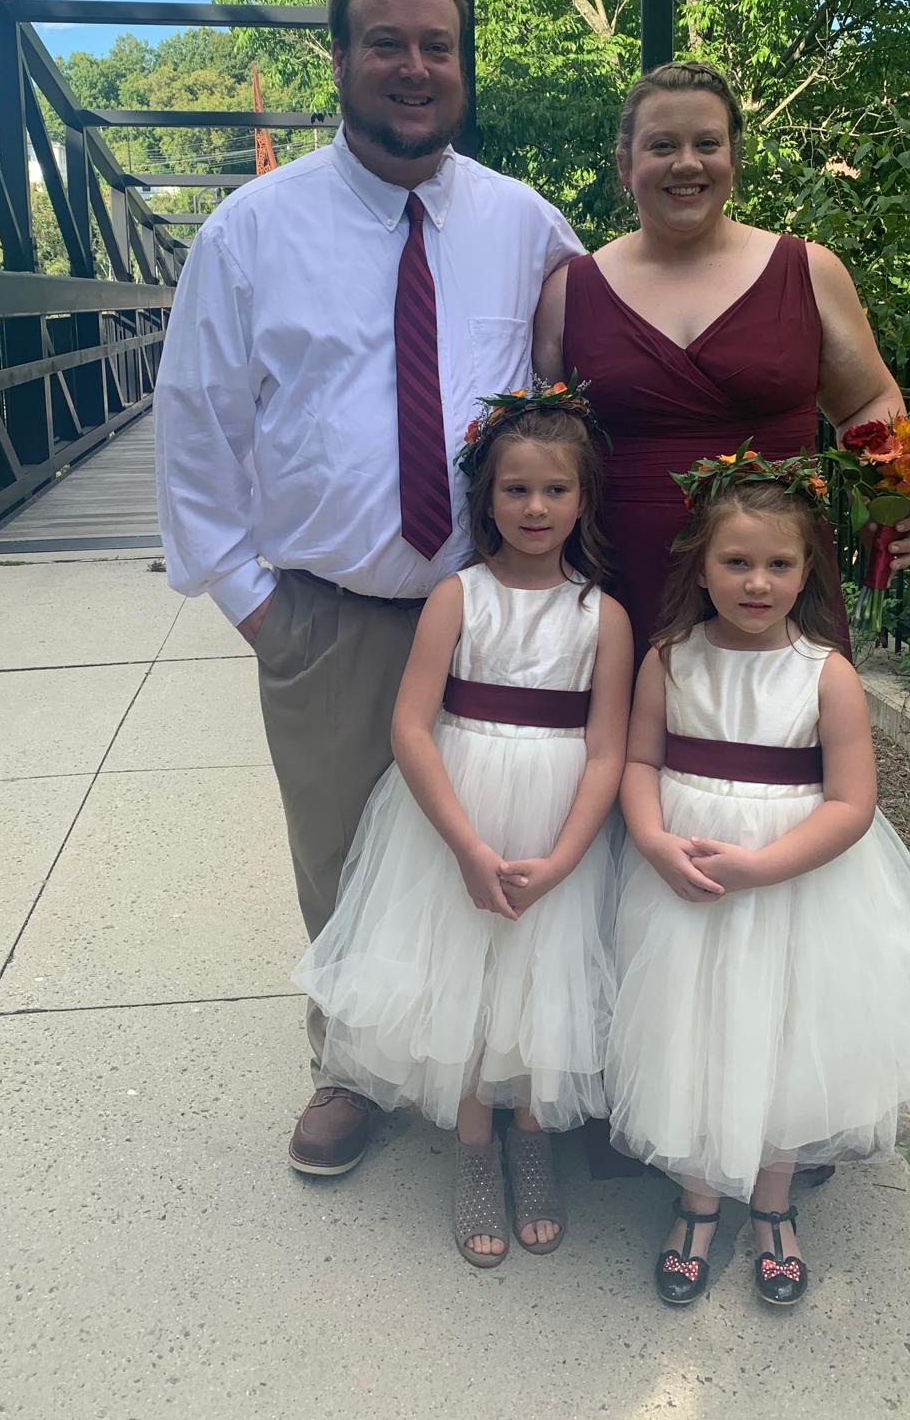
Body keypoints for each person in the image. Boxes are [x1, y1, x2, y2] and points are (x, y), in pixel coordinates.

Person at [154, 0, 583, 1180]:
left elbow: (594, 384)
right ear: (338, 61)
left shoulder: (525, 224)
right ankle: (350, 1065)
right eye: (386, 43)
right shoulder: (251, 233)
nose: (415, 67)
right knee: (342, 857)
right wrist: (258, 607)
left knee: (505, 840)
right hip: (332, 616)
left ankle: (503, 1066)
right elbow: (195, 425)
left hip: (498, 614)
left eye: (437, 45)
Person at [605, 447, 910, 1308]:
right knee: (693, 1026)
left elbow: (852, 803)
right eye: (736, 562)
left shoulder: (826, 672)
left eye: (779, 564)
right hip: (686, 881)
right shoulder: (669, 659)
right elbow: (638, 761)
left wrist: (762, 867)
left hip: (793, 886)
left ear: (807, 569)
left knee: (781, 1032)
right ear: (701, 566)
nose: (757, 582)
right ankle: (700, 1198)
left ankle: (773, 1203)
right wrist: (653, 839)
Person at [294, 383, 632, 1264]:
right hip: (460, 819)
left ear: (584, 499)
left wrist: (564, 858)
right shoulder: (458, 597)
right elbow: (411, 727)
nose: (535, 507)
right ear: (486, 497)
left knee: (541, 976)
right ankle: (475, 1147)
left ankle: (532, 1137)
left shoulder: (603, 616)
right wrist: (467, 846)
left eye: (556, 489)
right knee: (469, 977)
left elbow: (608, 750)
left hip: (556, 827)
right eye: (516, 488)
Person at [533, 59, 910, 662]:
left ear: (734, 160)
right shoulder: (568, 293)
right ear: (624, 165)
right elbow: (543, 443)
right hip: (622, 581)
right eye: (662, 145)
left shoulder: (810, 271)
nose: (686, 163)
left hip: (775, 580)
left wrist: (888, 498)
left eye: (707, 144)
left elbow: (868, 402)